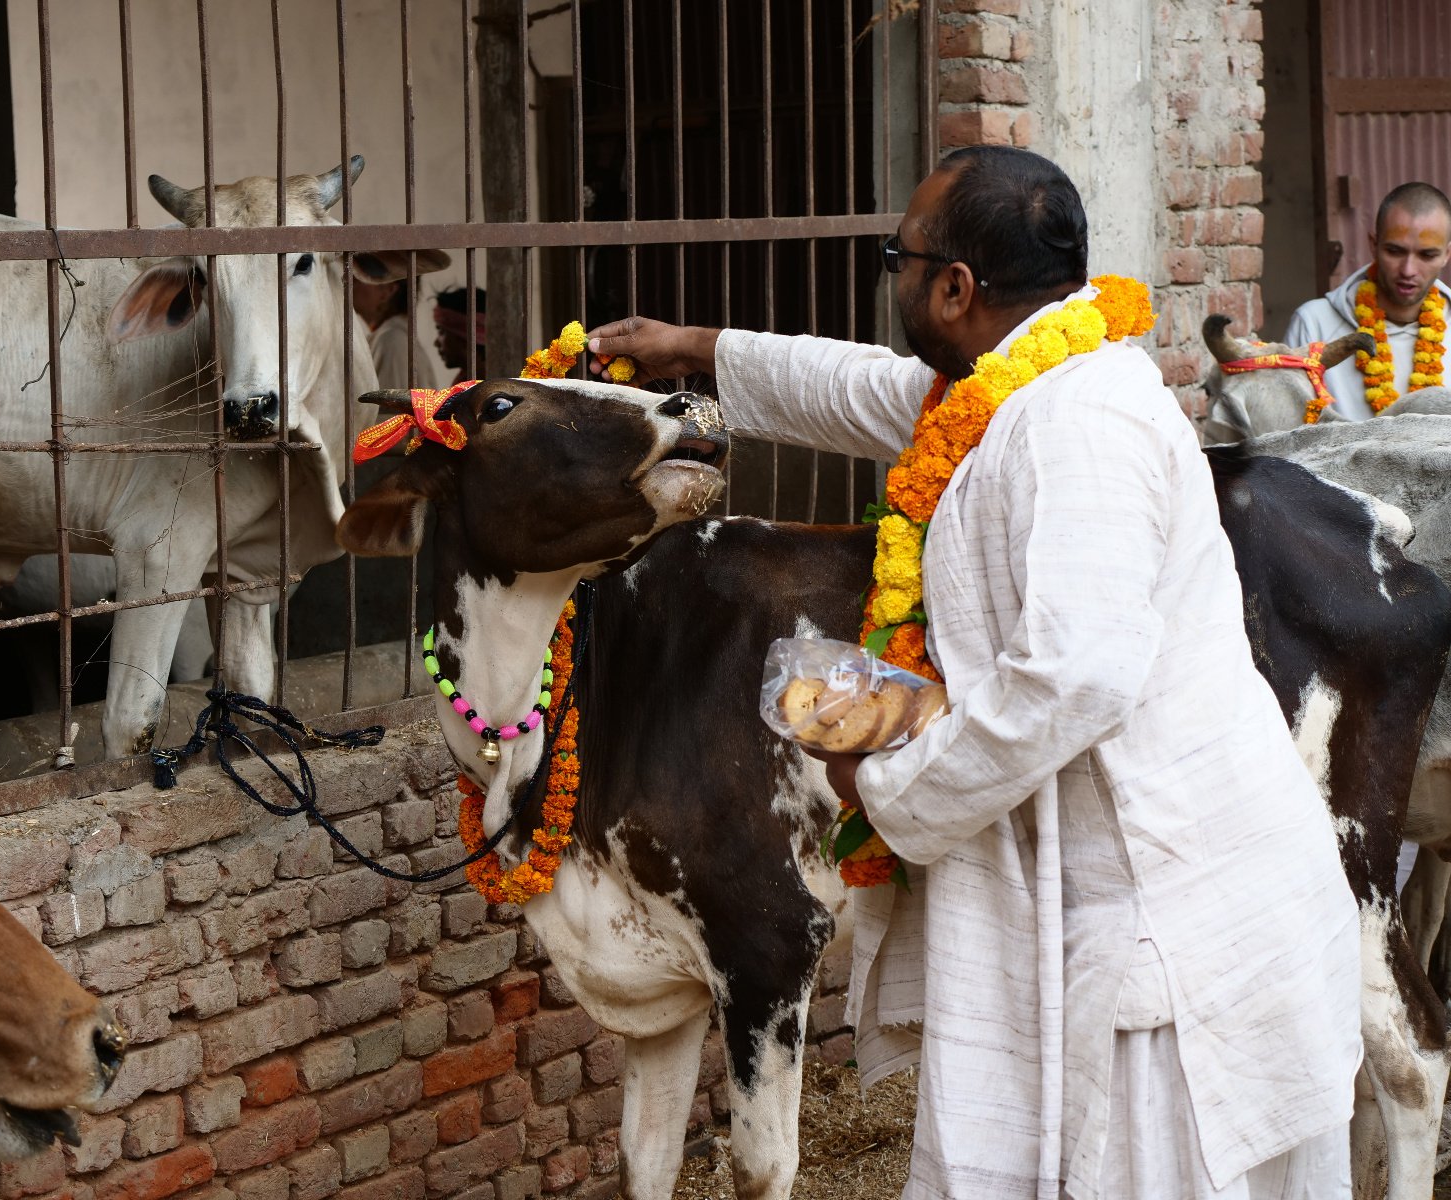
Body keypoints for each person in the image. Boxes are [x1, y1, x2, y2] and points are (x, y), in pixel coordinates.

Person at [587, 146, 1360, 1200]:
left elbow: (1076, 678)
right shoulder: (1020, 383)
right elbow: (866, 389)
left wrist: (889, 783)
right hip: (1098, 886)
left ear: (954, 289)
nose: (890, 273)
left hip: (1159, 919)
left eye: (896, 256)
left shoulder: (1074, 425)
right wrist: (692, 346)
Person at [1285, 182, 1451, 420]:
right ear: (1373, 245)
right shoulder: (1314, 324)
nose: (1408, 269)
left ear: (1447, 254)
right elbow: (1288, 432)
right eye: (1395, 251)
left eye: (1427, 255)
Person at [352, 250, 451, 389]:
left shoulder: (391, 340)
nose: (349, 280)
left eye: (361, 277)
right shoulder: (391, 336)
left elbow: (390, 410)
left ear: (388, 291)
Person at [432, 285, 487, 384]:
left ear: (464, 335)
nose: (436, 343)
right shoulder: (465, 381)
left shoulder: (487, 388)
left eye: (441, 331)